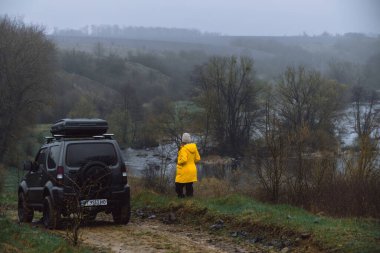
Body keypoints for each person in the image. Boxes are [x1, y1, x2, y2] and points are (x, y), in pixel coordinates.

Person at [175, 133, 201, 198]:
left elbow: (184, 160)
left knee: (178, 186)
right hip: (192, 170)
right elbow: (198, 159)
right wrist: (191, 162)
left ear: (183, 140)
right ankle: (190, 199)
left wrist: (178, 162)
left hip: (184, 171)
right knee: (189, 186)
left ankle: (181, 198)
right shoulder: (194, 148)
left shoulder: (183, 149)